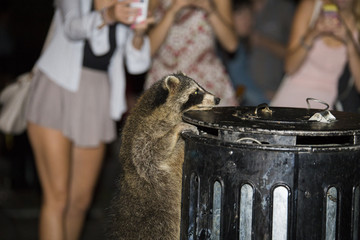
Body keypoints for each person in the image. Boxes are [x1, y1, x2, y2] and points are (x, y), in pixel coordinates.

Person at [25, 0, 153, 239]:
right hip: (57, 89)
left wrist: (140, 33)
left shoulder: (126, 4)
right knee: (58, 198)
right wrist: (109, 15)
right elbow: (73, 28)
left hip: (97, 98)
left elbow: (136, 65)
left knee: (81, 201)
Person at [144, 0, 238, 106]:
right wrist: (173, 9)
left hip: (206, 80)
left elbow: (232, 45)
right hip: (167, 82)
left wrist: (210, 9)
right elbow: (145, 52)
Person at [271, 0, 360, 109]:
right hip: (292, 93)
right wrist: (313, 33)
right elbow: (289, 67)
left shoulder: (357, 22)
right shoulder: (311, 6)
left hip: (325, 103)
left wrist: (350, 42)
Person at [220, 0, 269, 106]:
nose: (247, 20)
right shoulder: (228, 48)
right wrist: (265, 100)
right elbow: (241, 87)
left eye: (249, 15)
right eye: (241, 15)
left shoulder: (243, 45)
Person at [249, 0, 295, 101]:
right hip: (242, 86)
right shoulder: (242, 4)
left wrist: (262, 41)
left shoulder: (284, 7)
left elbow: (293, 53)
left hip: (271, 89)